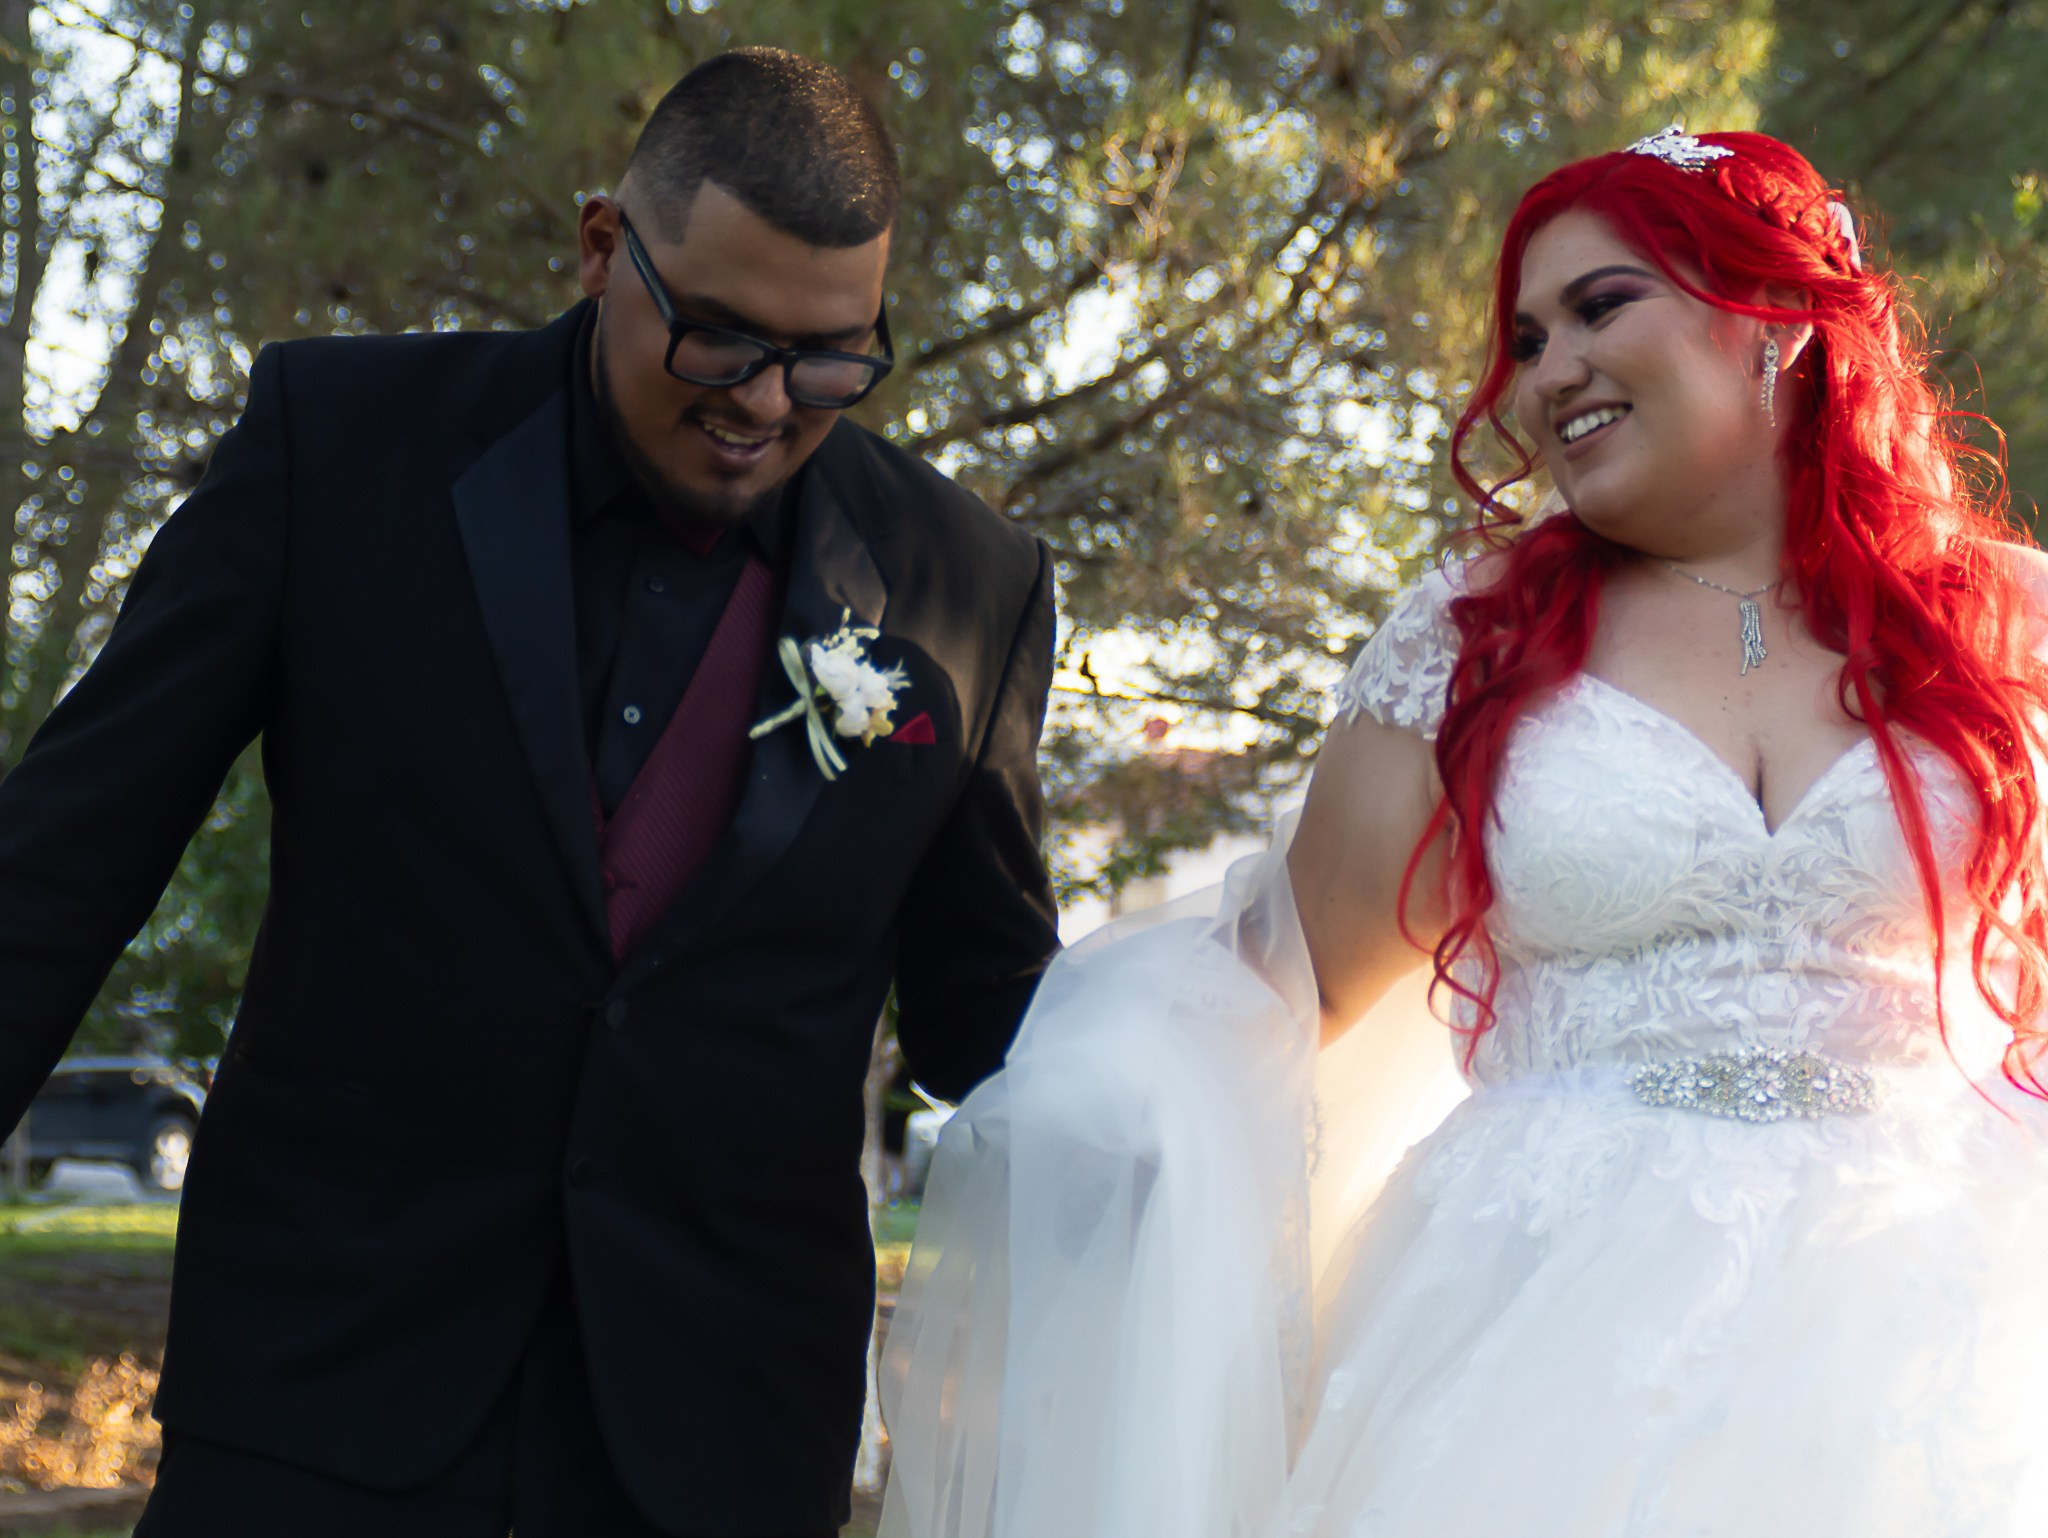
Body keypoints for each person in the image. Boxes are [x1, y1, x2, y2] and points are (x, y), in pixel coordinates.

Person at [879, 129, 2048, 1538]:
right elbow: (1285, 984)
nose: (1548, 371)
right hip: (1547, 1331)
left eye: (1602, 306)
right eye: (1528, 339)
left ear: (1778, 320)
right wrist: (1089, 1092)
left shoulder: (2009, 625)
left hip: (1948, 1326)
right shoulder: (1473, 645)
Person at [0, 47, 1061, 1538]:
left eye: (833, 357)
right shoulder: (336, 444)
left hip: (719, 1448)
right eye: (720, 339)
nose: (767, 403)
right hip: (318, 1399)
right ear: (602, 247)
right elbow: (64, 859)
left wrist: (1223, 1031)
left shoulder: (971, 585)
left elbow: (989, 1021)